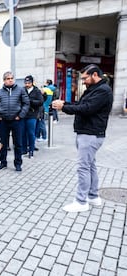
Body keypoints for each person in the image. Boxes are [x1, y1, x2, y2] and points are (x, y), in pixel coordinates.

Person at [52, 64, 113, 212]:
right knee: (90, 166)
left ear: (95, 75)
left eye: (85, 78)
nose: (83, 81)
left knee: (83, 167)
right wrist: (65, 103)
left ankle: (81, 201)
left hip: (90, 134)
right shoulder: (94, 90)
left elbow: (86, 109)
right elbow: (81, 104)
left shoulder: (103, 91)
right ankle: (93, 196)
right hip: (88, 133)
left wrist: (63, 107)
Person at [0, 71, 29, 171]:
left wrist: (20, 115)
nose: (10, 80)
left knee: (18, 143)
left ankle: (18, 164)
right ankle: (3, 162)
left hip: (17, 121)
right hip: (4, 121)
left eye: (12, 78)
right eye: (8, 78)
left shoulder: (20, 90)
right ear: (4, 80)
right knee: (3, 143)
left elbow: (26, 104)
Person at [22, 75, 43, 158]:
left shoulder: (36, 91)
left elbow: (40, 102)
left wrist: (30, 101)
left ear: (32, 83)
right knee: (23, 133)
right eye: (26, 83)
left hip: (32, 114)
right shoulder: (22, 90)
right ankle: (24, 150)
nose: (27, 84)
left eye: (29, 83)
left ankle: (31, 150)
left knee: (31, 133)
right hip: (23, 114)